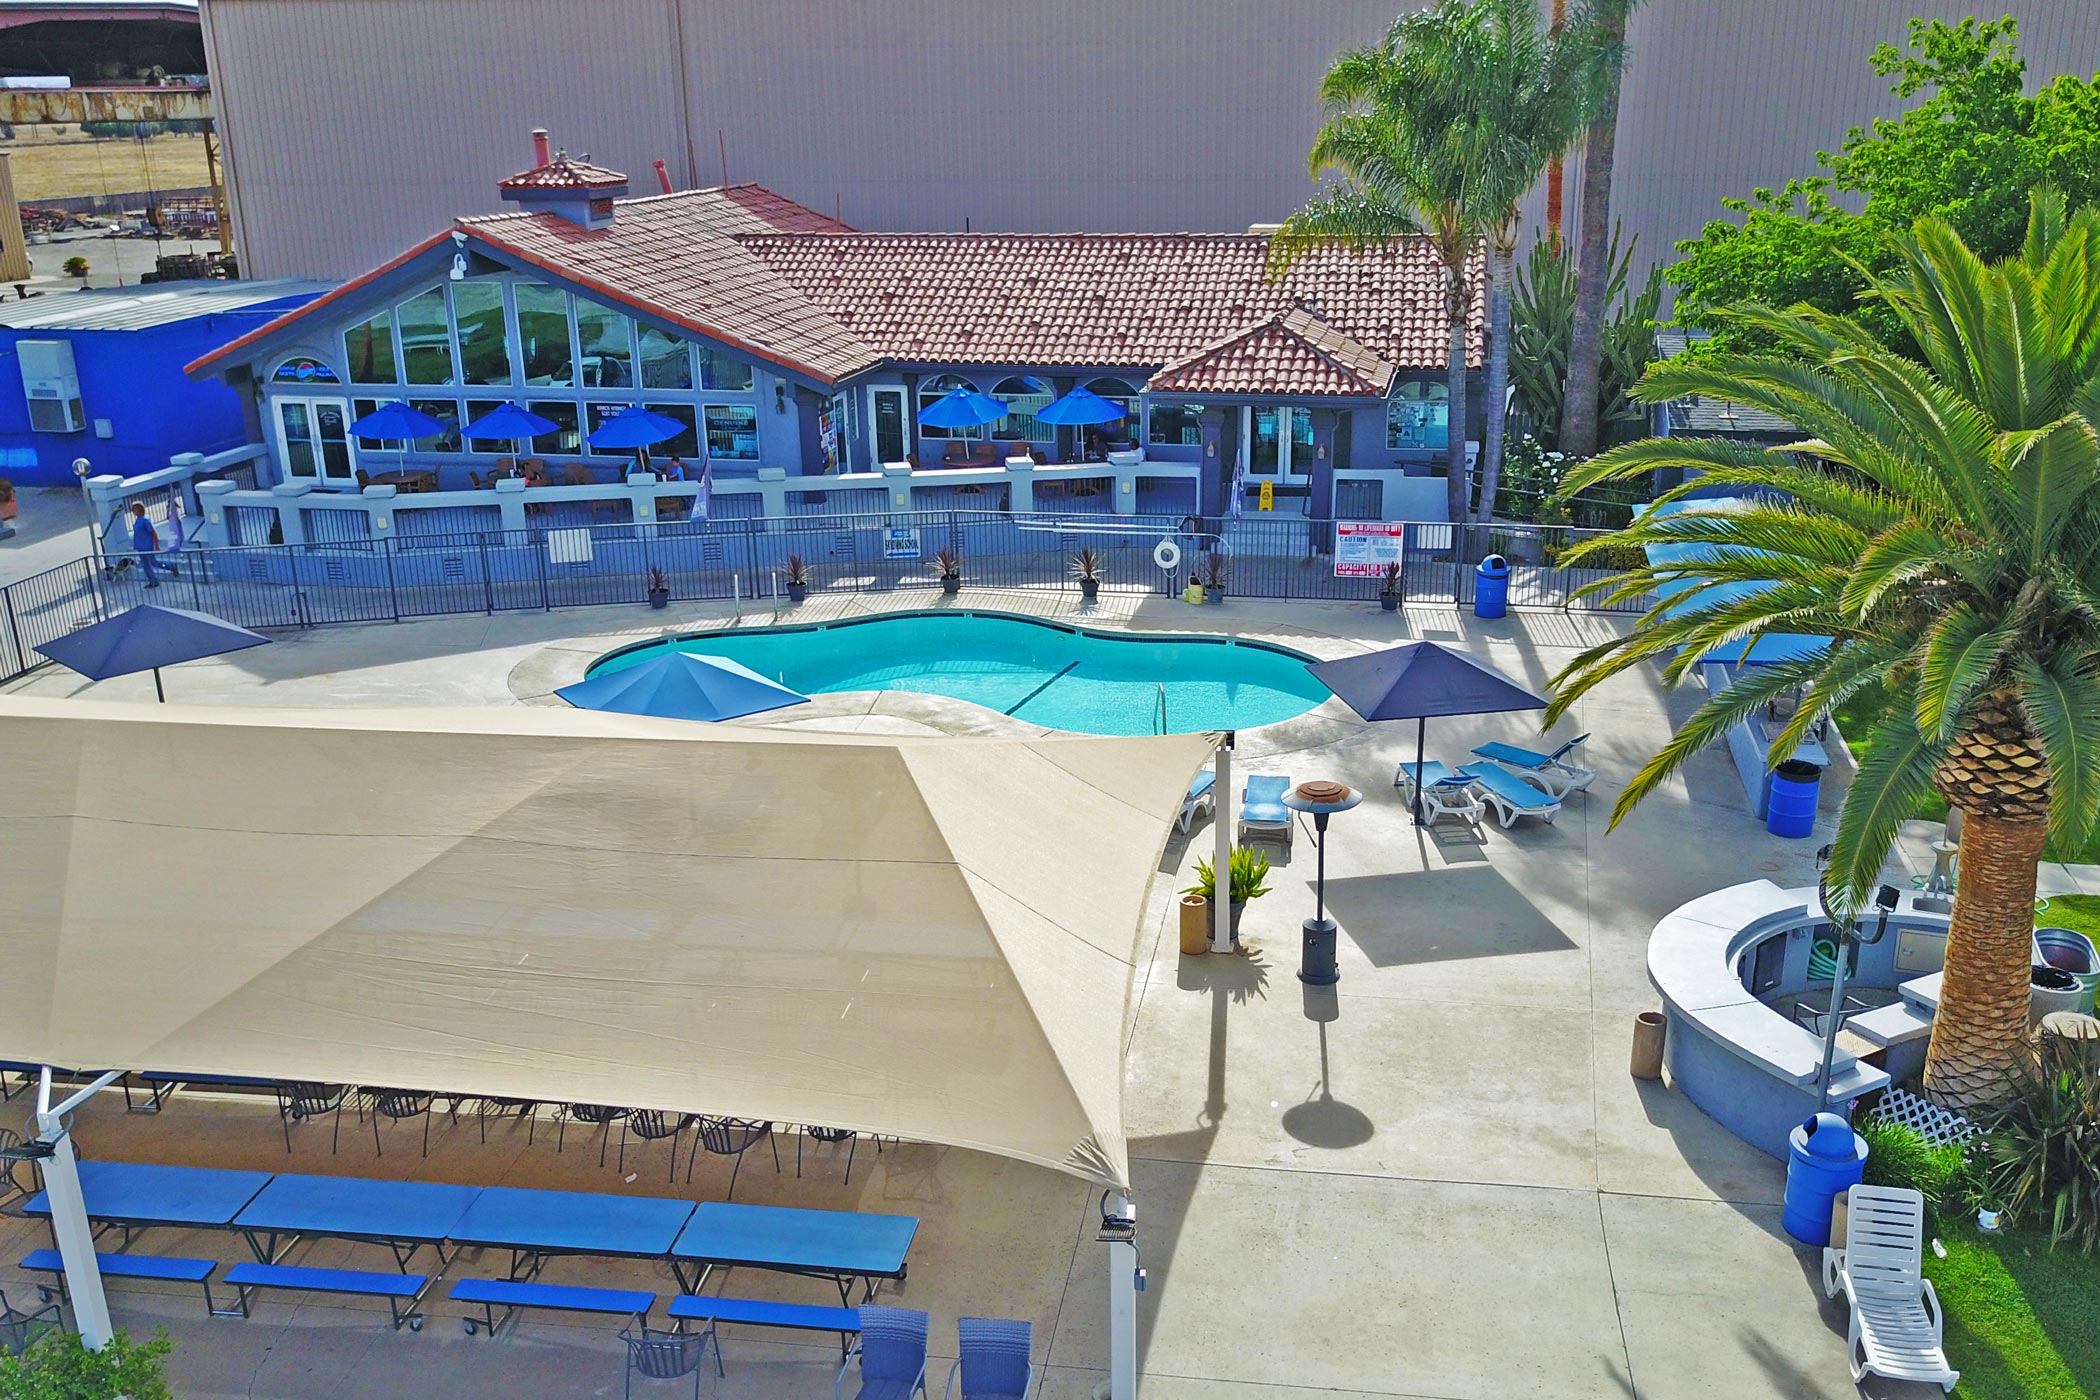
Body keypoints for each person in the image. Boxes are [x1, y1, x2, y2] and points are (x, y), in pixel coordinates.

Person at [130, 501, 176, 587]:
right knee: (146, 565)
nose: (132, 511)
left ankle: (170, 566)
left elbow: (154, 533)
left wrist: (157, 545)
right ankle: (153, 581)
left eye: (134, 509)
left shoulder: (145, 520)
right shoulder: (138, 520)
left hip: (147, 546)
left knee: (153, 562)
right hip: (140, 546)